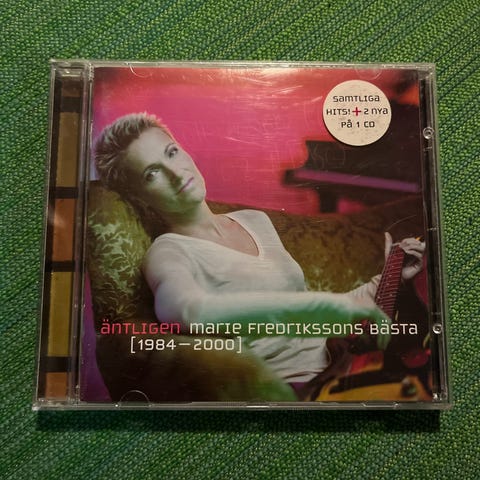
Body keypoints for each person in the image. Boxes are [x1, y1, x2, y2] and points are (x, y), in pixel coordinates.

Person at [94, 113, 425, 384]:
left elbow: (309, 323)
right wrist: (328, 305)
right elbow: (187, 312)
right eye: (152, 173)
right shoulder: (169, 253)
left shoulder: (254, 221)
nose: (175, 173)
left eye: (171, 152)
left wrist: (387, 279)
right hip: (299, 390)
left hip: (343, 364)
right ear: (138, 196)